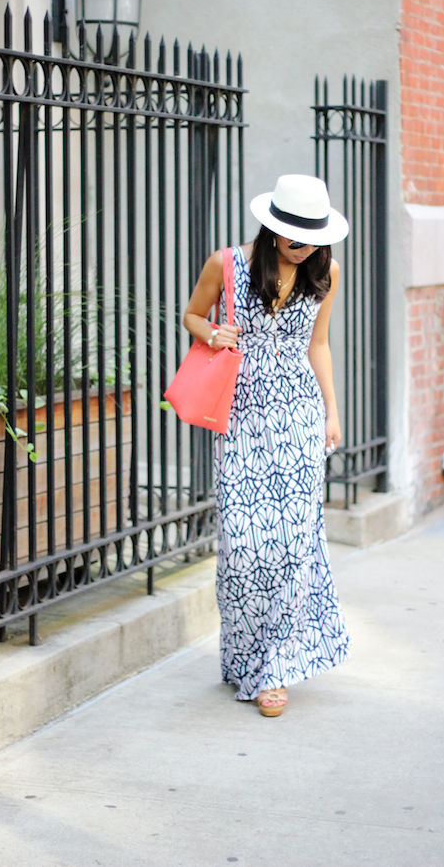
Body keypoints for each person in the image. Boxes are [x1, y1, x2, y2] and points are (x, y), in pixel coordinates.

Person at [183, 174, 351, 716]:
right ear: (273, 227)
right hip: (242, 415)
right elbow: (190, 314)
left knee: (292, 545)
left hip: (299, 417)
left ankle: (275, 669)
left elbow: (318, 343)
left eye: (313, 237)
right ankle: (243, 659)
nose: (305, 246)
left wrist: (331, 410)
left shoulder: (327, 272)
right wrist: (210, 333)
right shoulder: (227, 263)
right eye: (295, 236)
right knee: (244, 544)